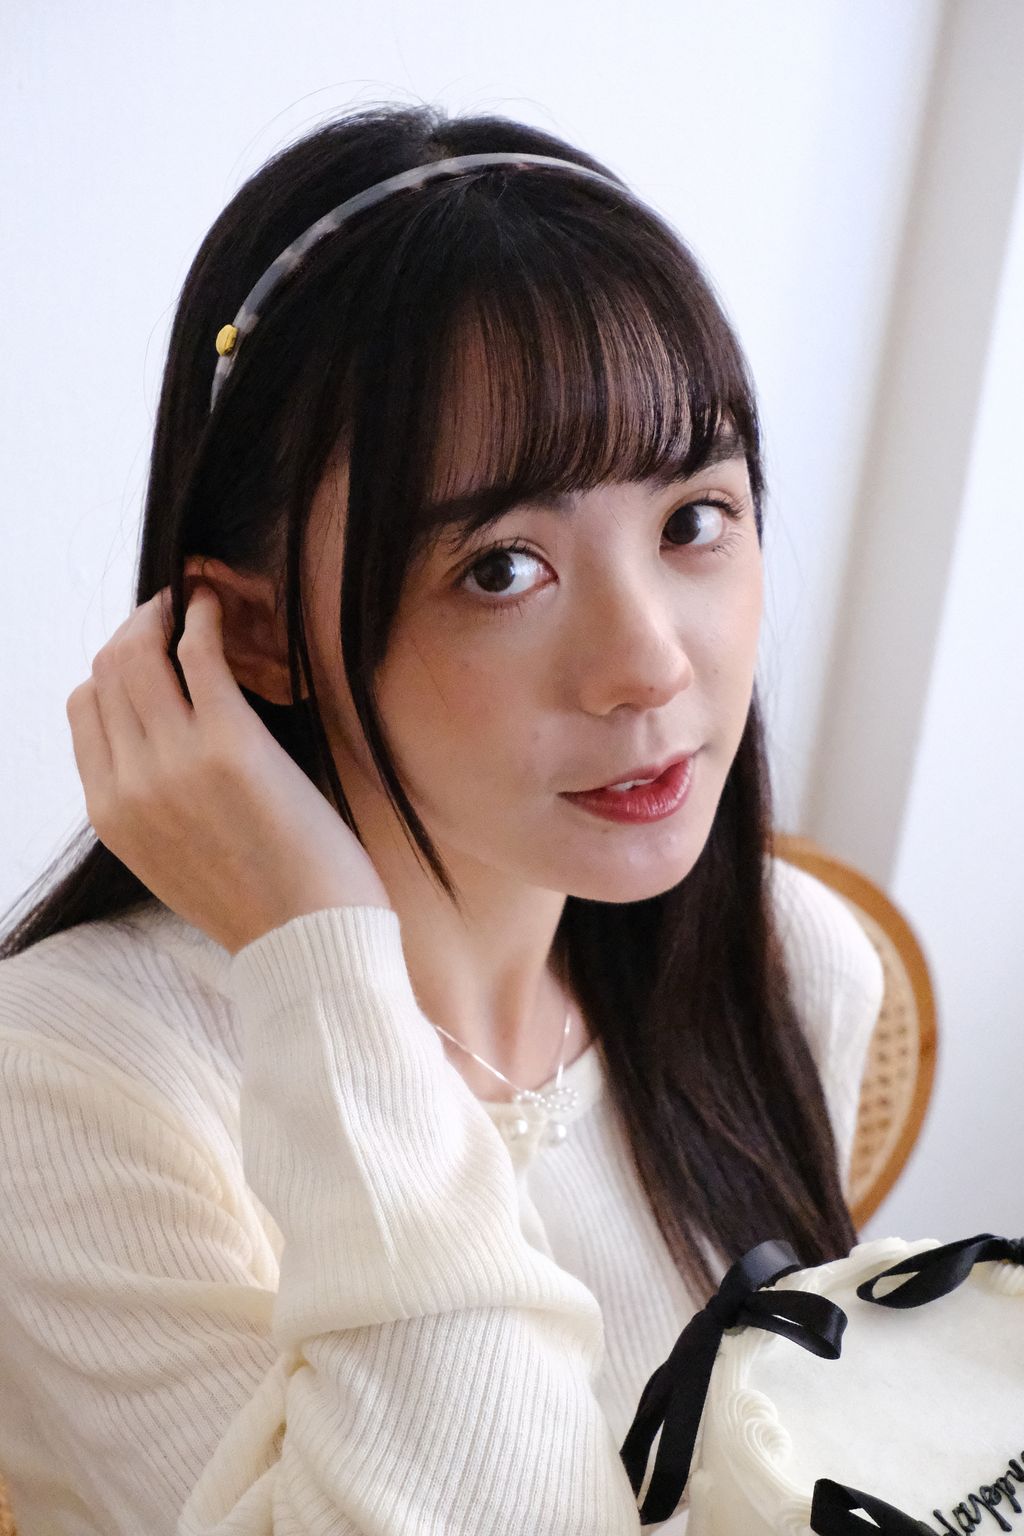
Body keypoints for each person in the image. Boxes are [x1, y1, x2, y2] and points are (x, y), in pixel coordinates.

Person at [0, 103, 883, 1534]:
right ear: (255, 634)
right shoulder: (69, 1081)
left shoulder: (788, 961)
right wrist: (316, 957)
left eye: (693, 520)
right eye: (502, 567)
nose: (651, 664)